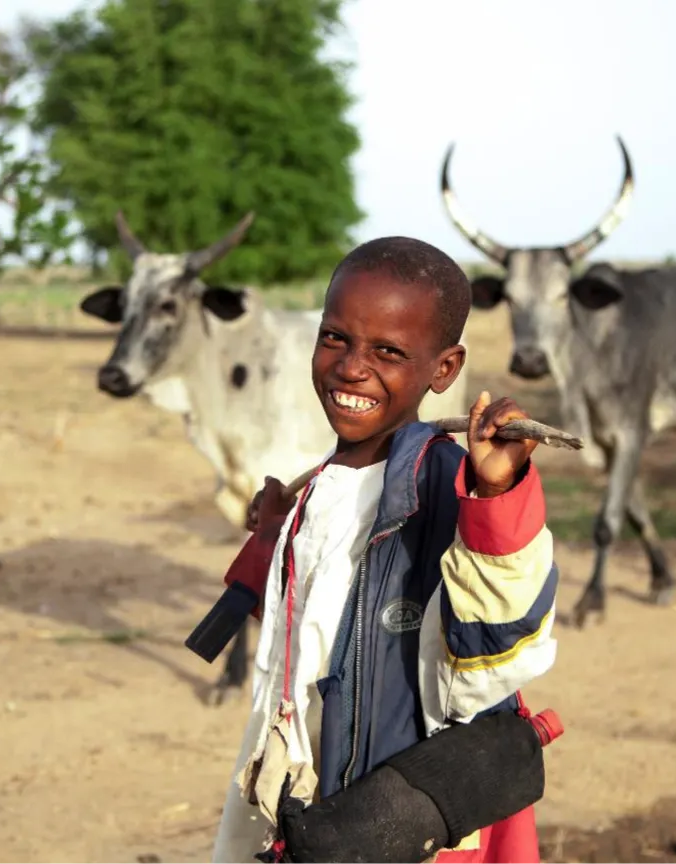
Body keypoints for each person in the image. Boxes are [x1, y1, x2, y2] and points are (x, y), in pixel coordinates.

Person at [209, 235, 560, 863]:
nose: (351, 367)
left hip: (403, 813)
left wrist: (496, 495)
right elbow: (312, 637)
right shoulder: (319, 485)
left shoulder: (445, 493)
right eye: (335, 338)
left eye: (389, 351)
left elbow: (496, 647)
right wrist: (277, 532)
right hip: (309, 795)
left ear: (444, 369)